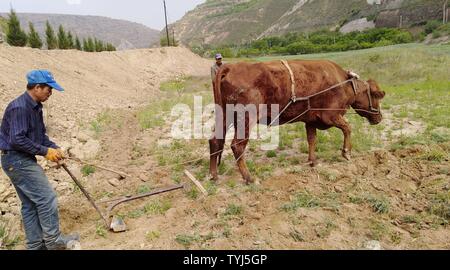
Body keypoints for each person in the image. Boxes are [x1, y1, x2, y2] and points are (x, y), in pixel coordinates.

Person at [0, 70, 79, 250]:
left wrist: (54, 148)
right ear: (37, 87)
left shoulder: (36, 107)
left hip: (18, 159)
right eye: (48, 89)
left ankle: (35, 245)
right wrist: (45, 152)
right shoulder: (21, 107)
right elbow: (17, 139)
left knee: (30, 204)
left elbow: (39, 137)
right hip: (16, 159)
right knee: (46, 198)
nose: (50, 93)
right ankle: (54, 241)